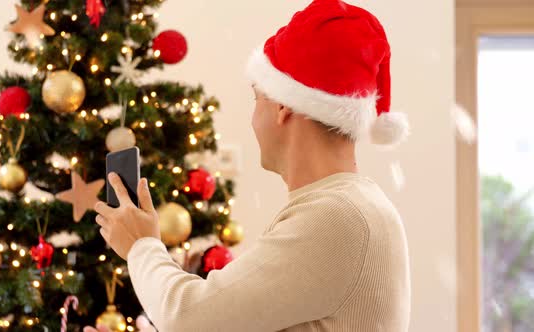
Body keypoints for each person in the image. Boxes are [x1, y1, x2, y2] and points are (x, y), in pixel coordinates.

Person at [87, 0, 411, 331]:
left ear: (283, 106)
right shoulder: (347, 208)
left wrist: (141, 246)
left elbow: (186, 317)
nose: (253, 118)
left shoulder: (338, 216)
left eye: (257, 99)